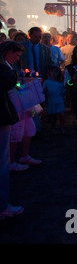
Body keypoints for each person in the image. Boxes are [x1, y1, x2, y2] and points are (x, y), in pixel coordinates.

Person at [0, 41, 24, 220]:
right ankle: (2, 205)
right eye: (16, 55)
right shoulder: (4, 69)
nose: (17, 58)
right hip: (1, 116)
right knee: (2, 161)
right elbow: (9, 81)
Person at [42, 65, 66, 135]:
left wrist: (65, 90)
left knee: (62, 114)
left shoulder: (60, 82)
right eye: (52, 72)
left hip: (59, 100)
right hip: (51, 101)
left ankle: (62, 127)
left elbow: (62, 92)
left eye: (56, 72)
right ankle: (53, 127)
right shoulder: (47, 82)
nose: (54, 73)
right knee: (53, 116)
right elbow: (43, 90)